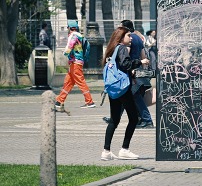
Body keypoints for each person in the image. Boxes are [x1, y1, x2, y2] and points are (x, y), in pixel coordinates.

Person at [101, 26, 150, 161]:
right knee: (133, 118)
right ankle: (124, 149)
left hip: (113, 88)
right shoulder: (122, 48)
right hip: (123, 88)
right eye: (128, 35)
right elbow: (125, 64)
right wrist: (140, 61)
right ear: (121, 37)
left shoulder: (112, 49)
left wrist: (130, 72)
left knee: (114, 120)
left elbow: (119, 66)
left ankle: (106, 151)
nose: (131, 38)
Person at [102, 20, 154, 128]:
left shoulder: (128, 40)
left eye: (121, 27)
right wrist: (143, 67)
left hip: (131, 71)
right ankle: (117, 117)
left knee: (134, 96)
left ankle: (147, 120)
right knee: (127, 96)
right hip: (138, 71)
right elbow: (143, 55)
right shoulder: (138, 38)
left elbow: (126, 57)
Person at [55, 20, 95, 110]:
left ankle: (90, 102)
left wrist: (65, 53)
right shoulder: (79, 35)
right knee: (68, 82)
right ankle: (59, 101)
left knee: (80, 82)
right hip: (76, 62)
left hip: (75, 62)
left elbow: (70, 46)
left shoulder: (73, 35)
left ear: (69, 28)